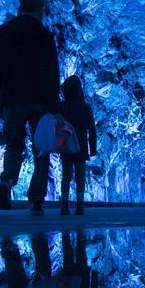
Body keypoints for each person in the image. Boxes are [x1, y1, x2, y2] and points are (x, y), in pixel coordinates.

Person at [0, 0, 60, 214]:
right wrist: (53, 107)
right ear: (40, 9)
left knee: (13, 144)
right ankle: (37, 197)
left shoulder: (4, 31)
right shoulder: (44, 35)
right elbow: (51, 73)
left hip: (11, 98)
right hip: (38, 101)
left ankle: (6, 181)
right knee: (41, 148)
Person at [59, 75, 97, 215]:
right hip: (81, 148)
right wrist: (93, 147)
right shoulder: (86, 107)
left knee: (66, 176)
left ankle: (64, 205)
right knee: (80, 177)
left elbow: (56, 125)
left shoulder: (62, 106)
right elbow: (92, 128)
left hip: (66, 146)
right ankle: (80, 205)